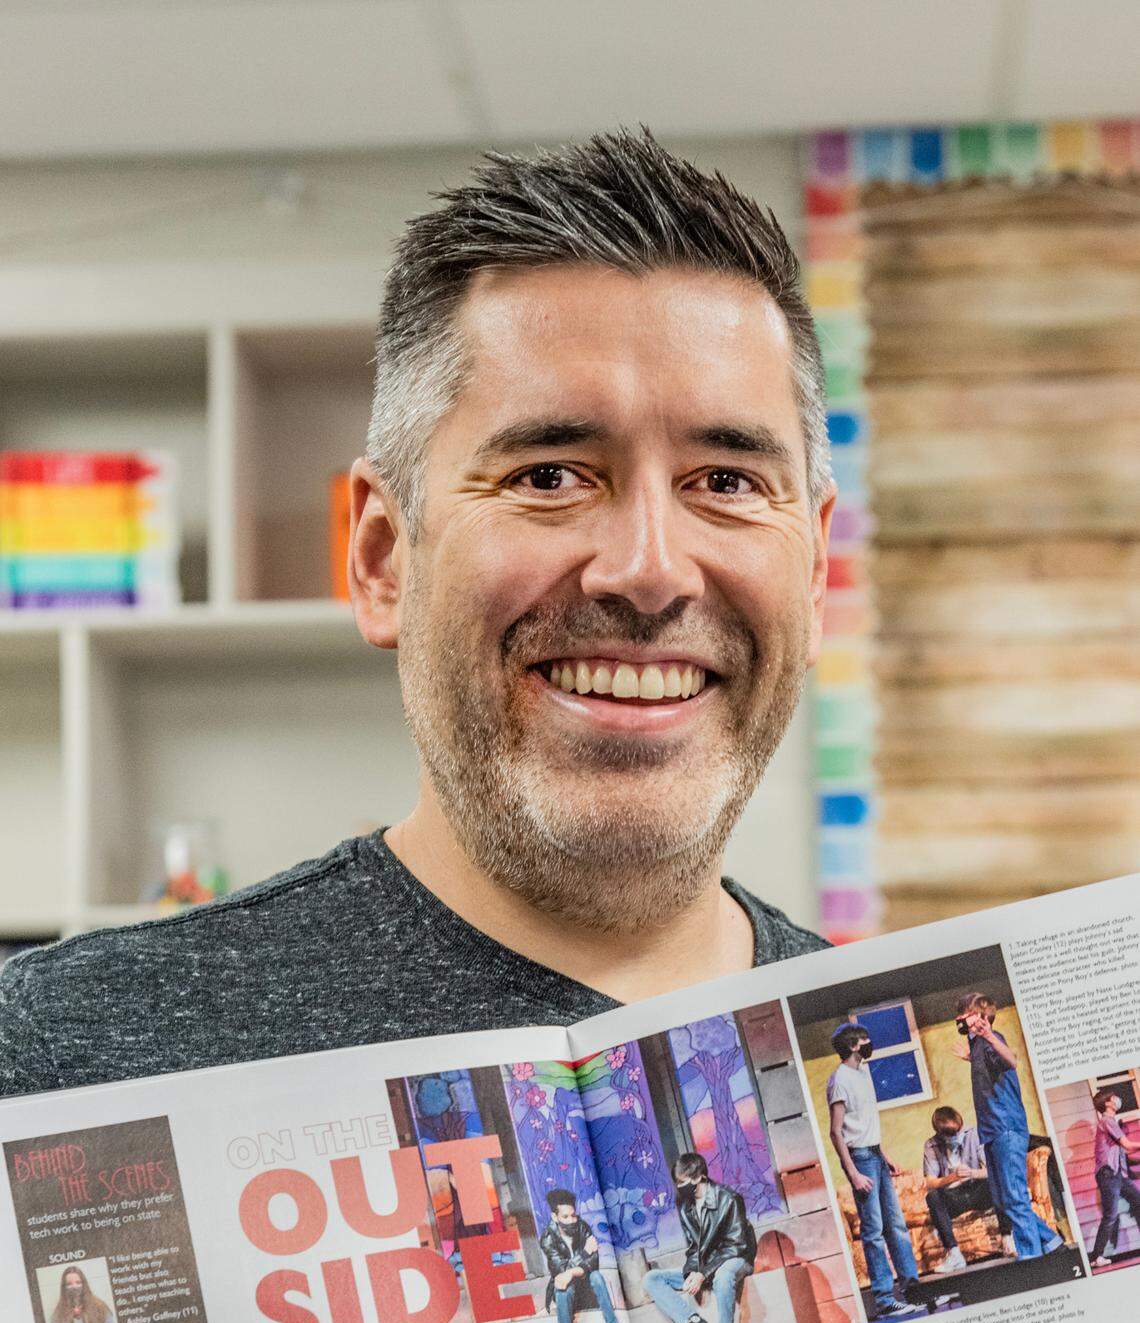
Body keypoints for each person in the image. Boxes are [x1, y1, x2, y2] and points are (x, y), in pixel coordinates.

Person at [1, 130, 833, 1102]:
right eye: (549, 475)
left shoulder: (876, 1033)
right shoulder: (59, 1060)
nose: (648, 571)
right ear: (382, 558)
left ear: (815, 569)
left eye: (727, 480)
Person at [953, 994, 1061, 1261]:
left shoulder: (992, 1039)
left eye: (964, 1013)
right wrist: (971, 1058)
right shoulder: (978, 1046)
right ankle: (1050, 1240)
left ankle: (1031, 1259)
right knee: (1002, 1200)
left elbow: (1012, 1061)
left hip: (1006, 1128)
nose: (958, 1019)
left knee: (1013, 1197)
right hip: (991, 1131)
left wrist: (989, 1036)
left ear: (979, 1017)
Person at [826, 1023, 919, 1320]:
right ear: (854, 1045)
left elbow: (865, 1122)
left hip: (875, 1154)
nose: (870, 1043)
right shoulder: (840, 1079)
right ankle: (883, 1298)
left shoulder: (862, 1072)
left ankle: (913, 1289)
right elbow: (836, 1132)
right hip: (861, 1160)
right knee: (874, 1231)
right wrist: (852, 1172)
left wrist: (885, 1156)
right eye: (866, 1039)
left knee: (896, 1225)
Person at [643, 1153, 757, 1323]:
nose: (680, 1187)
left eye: (683, 1182)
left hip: (736, 1257)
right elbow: (695, 1247)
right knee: (652, 1279)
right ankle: (691, 1321)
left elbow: (737, 1244)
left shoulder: (728, 1199)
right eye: (677, 1183)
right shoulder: (685, 1206)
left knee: (723, 1277)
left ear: (699, 1177)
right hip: (707, 1264)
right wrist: (690, 1273)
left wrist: (703, 1274)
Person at [540, 1189, 630, 1323]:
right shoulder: (547, 1238)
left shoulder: (583, 1227)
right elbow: (560, 1271)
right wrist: (584, 1253)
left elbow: (594, 1263)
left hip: (587, 1287)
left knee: (596, 1276)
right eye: (565, 1217)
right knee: (562, 1289)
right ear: (554, 1217)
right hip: (567, 1291)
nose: (571, 1221)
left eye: (573, 1215)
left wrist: (572, 1271)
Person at [922, 1106, 1013, 1272]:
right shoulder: (931, 1145)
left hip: (976, 1189)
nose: (955, 1137)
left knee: (998, 1181)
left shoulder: (973, 1134)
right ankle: (955, 1255)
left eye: (957, 1131)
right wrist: (952, 1177)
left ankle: (1007, 1239)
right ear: (939, 1133)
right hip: (953, 1196)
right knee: (932, 1196)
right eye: (950, 1135)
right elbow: (930, 1182)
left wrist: (971, 1173)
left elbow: (990, 1170)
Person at [1088, 1091, 1140, 1267]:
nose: (1118, 1100)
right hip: (1109, 1175)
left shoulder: (1110, 1123)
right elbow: (1127, 1145)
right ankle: (1096, 1257)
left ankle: (1096, 1256)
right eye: (1114, 1098)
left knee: (1138, 1202)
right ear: (1109, 1103)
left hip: (1118, 1175)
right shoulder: (1107, 1121)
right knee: (1110, 1216)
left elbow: (1124, 1153)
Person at [48, 1264, 115, 1323]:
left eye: (78, 1282)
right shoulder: (58, 1314)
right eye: (69, 1284)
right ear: (64, 1287)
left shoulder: (100, 1307)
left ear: (84, 1284)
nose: (74, 1287)